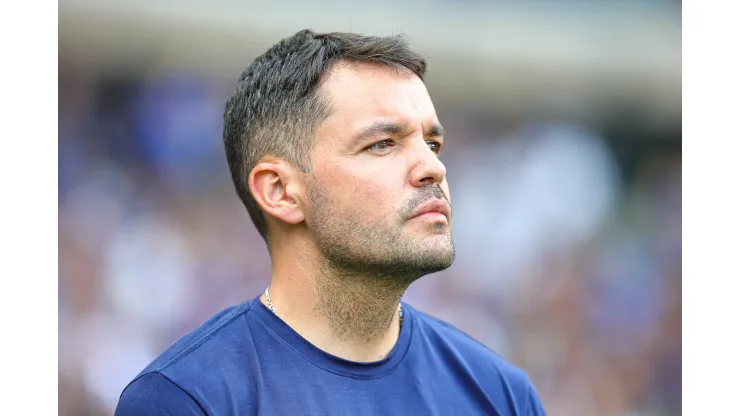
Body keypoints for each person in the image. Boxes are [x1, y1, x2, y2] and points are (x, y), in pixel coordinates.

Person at [115, 29, 547, 415]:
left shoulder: (501, 394)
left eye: (432, 143)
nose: (433, 168)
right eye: (382, 144)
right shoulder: (188, 399)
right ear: (280, 191)